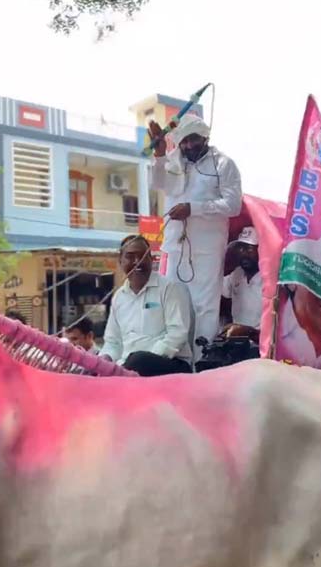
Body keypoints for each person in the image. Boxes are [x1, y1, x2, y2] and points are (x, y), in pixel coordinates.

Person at [146, 114, 242, 363]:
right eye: (184, 141)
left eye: (194, 139)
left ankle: (201, 363)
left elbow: (233, 205)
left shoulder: (224, 164)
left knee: (204, 308)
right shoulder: (173, 160)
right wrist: (159, 154)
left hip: (207, 250)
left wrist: (194, 209)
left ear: (205, 137)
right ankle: (174, 362)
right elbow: (157, 183)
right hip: (176, 248)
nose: (189, 146)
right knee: (173, 305)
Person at [99, 235, 195, 375]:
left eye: (142, 256)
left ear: (151, 259)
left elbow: (177, 334)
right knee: (94, 366)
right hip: (129, 365)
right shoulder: (119, 298)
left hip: (170, 362)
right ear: (121, 261)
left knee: (139, 360)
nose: (137, 261)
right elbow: (113, 342)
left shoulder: (170, 288)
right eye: (130, 256)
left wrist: (147, 357)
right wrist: (104, 359)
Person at [221, 226, 264, 332]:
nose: (243, 253)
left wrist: (247, 331)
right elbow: (218, 288)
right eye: (240, 249)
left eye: (249, 249)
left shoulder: (270, 279)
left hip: (260, 339)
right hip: (235, 336)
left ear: (261, 250)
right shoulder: (237, 273)